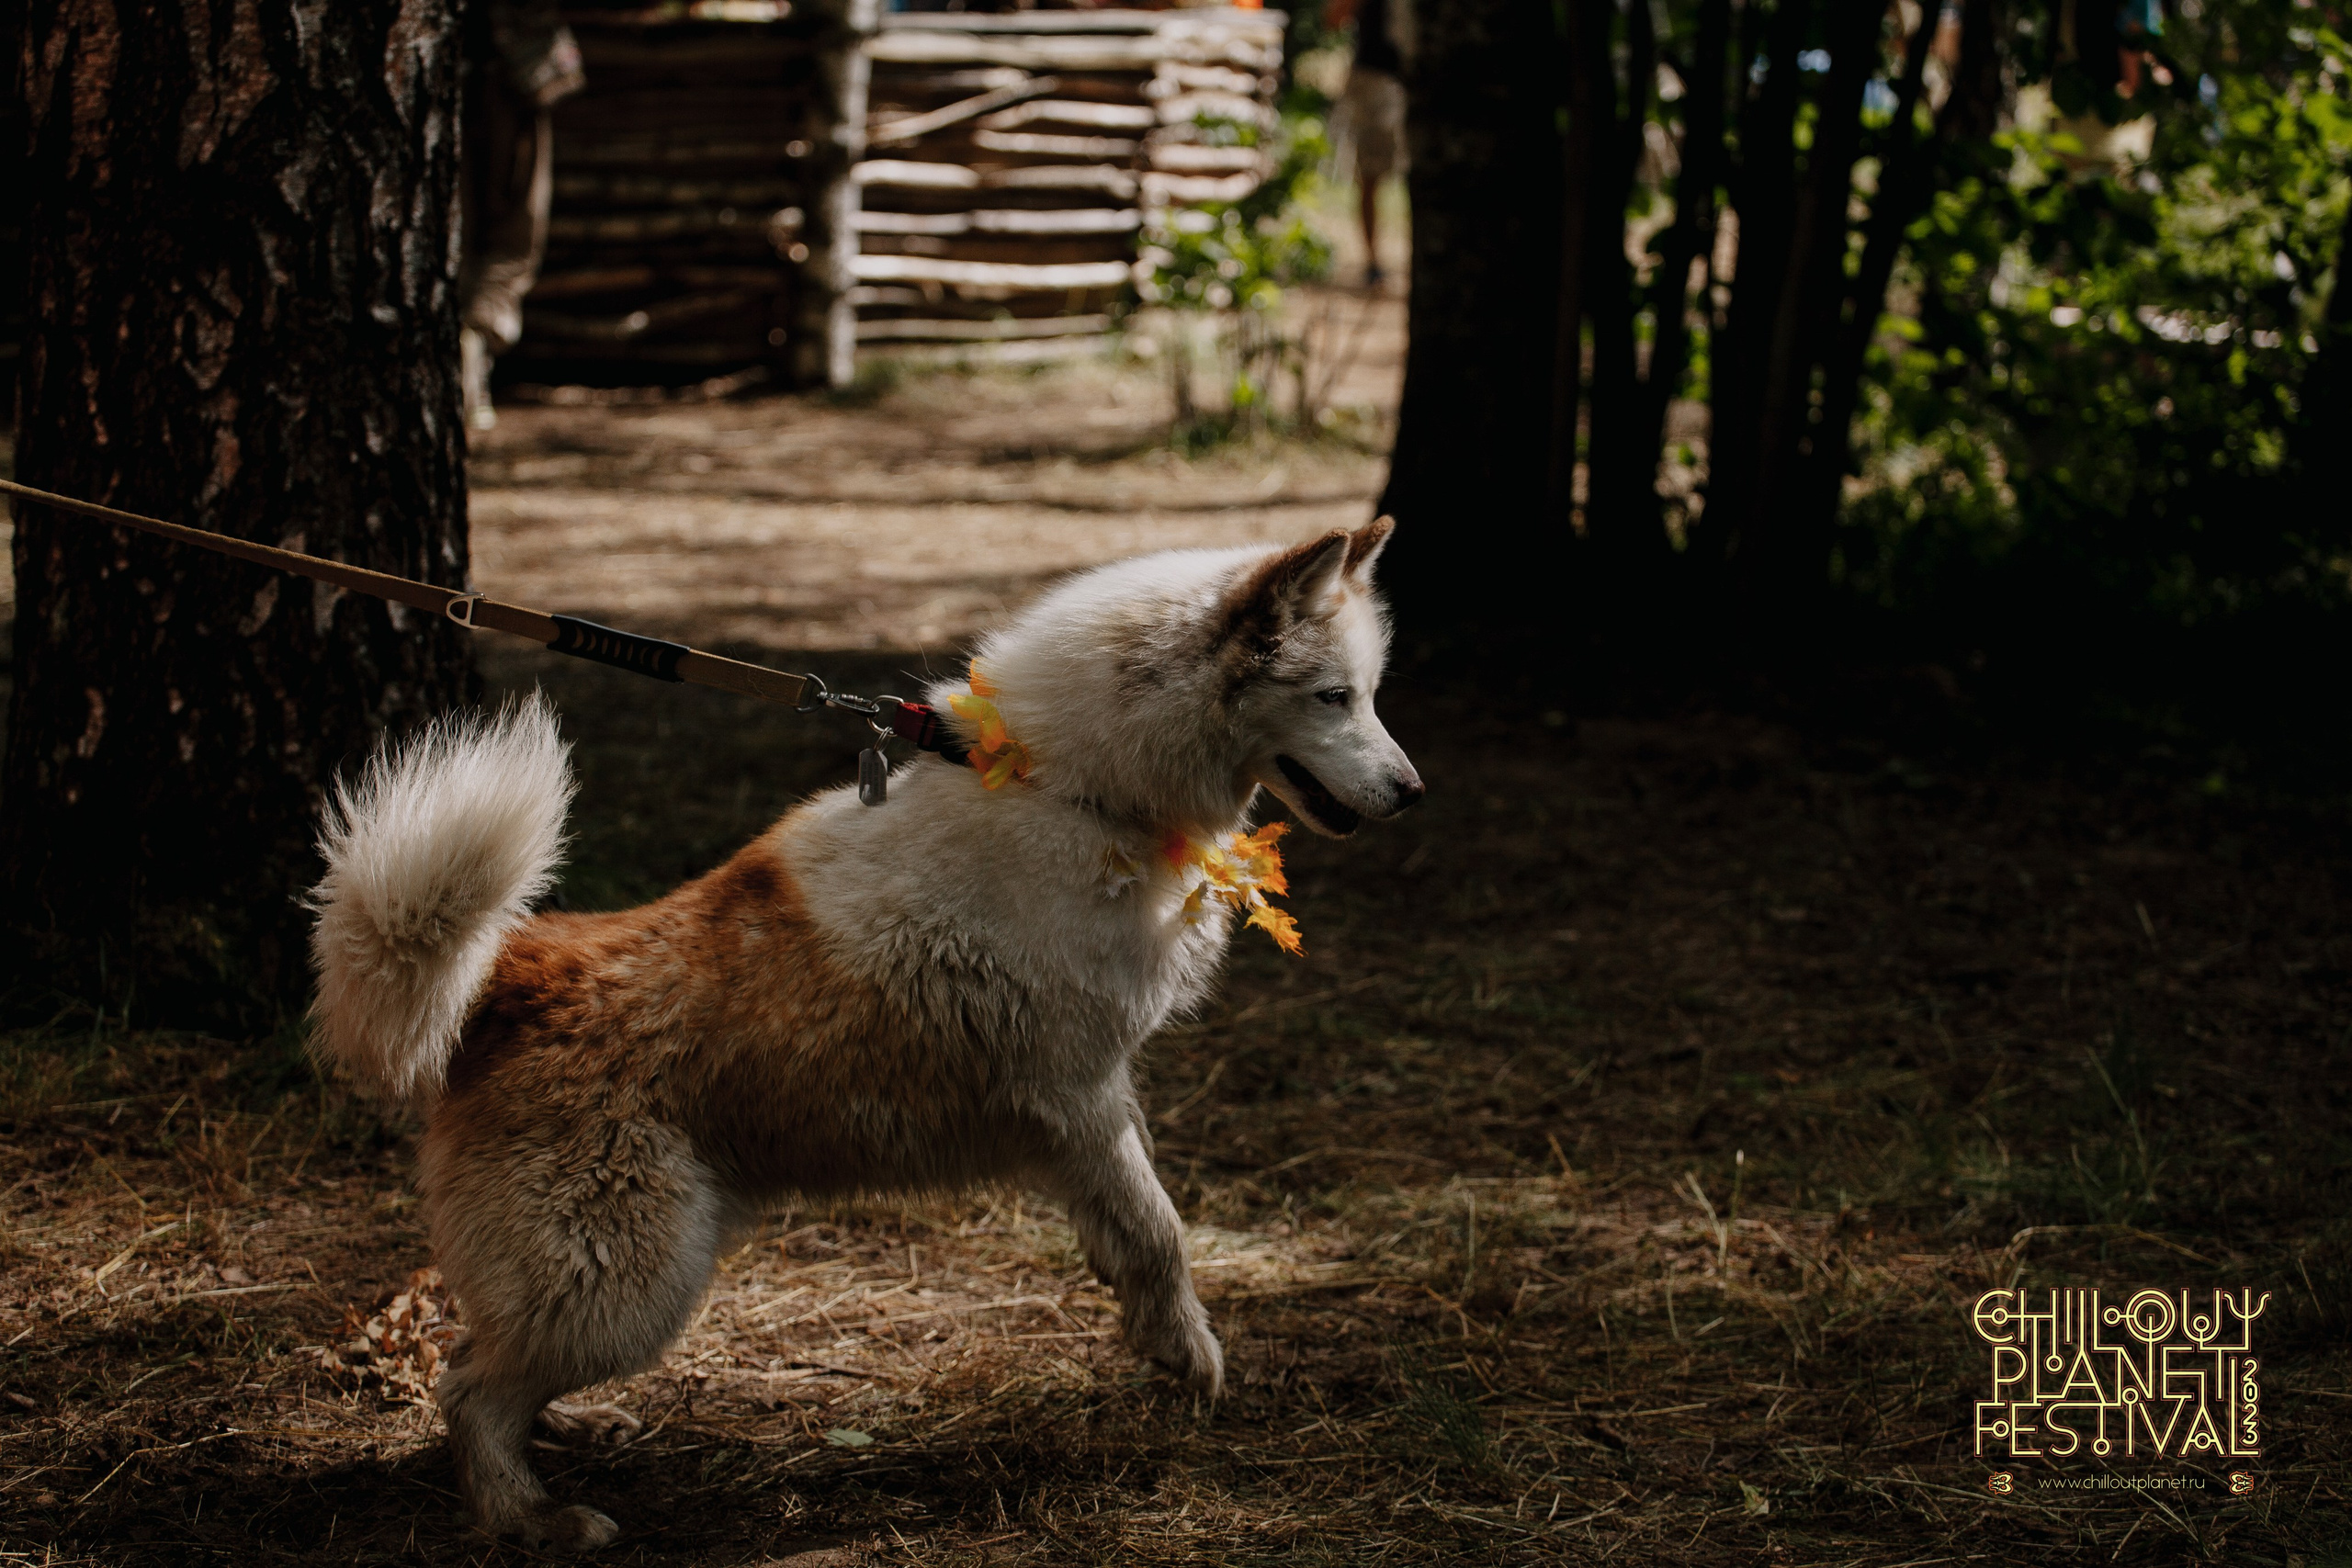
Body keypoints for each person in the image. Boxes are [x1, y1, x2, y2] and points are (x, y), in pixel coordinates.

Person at [458, 0, 585, 432]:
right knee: (509, 239)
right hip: (490, 75)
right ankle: (466, 367)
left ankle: (469, 366)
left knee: (496, 238)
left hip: (503, 72)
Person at [1324, 0, 1407, 290]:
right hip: (1371, 80)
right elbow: (1334, 18)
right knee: (1369, 176)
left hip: (1413, 80)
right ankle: (1373, 264)